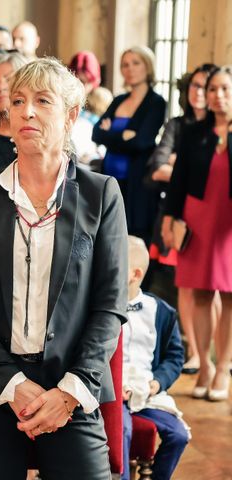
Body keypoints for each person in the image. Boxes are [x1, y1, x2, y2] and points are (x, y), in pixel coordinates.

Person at [0, 57, 128, 479]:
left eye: (42, 101)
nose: (26, 111)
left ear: (70, 116)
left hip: (72, 383)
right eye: (18, 101)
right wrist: (11, 383)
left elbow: (110, 304)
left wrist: (69, 391)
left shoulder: (101, 195)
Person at [163, 65, 232, 401]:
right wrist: (169, 218)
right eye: (213, 89)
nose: (217, 96)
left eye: (224, 89)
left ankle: (223, 369)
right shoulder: (194, 132)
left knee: (230, 296)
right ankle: (204, 364)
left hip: (229, 224)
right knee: (201, 294)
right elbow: (177, 181)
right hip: (198, 218)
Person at [149, 64, 217, 374]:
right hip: (184, 214)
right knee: (189, 286)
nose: (200, 93)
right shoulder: (179, 126)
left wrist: (180, 165)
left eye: (208, 87)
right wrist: (181, 166)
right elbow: (158, 167)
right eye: (196, 86)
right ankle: (193, 350)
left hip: (217, 214)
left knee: (218, 287)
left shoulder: (221, 128)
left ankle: (213, 354)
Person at [121, 236, 189, 480]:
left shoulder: (161, 312)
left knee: (179, 435)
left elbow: (174, 356)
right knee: (122, 430)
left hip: (147, 392)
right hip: (114, 393)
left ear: (135, 274)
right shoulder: (99, 308)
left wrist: (157, 382)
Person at [92, 45, 166, 242]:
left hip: (137, 183)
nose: (130, 69)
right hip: (109, 179)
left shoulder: (156, 102)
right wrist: (123, 136)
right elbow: (96, 134)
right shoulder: (119, 100)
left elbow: (141, 143)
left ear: (147, 66)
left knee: (135, 239)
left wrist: (111, 134)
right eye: (125, 64)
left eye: (136, 63)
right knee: (108, 237)